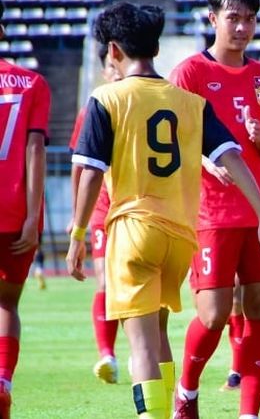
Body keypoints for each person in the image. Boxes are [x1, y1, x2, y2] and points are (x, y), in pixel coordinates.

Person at [66, 2, 260, 419]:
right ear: (156, 48)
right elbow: (232, 155)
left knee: (141, 342)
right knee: (160, 331)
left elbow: (89, 173)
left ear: (113, 51)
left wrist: (77, 235)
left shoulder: (106, 98)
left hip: (133, 229)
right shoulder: (189, 101)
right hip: (180, 235)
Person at [168, 0, 260, 419]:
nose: (241, 27)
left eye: (249, 19)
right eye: (233, 18)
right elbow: (174, 141)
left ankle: (249, 413)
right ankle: (188, 389)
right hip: (212, 212)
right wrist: (204, 162)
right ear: (212, 18)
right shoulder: (190, 74)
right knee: (215, 313)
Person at [0, 0, 51, 417]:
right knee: (6, 304)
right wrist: (34, 216)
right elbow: (35, 149)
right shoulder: (31, 83)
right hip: (15, 211)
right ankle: (2, 380)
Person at [68, 44, 123, 384]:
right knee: (105, 280)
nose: (116, 71)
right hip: (104, 208)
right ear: (104, 70)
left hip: (138, 206)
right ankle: (107, 355)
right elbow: (81, 165)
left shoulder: (144, 99)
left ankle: (145, 356)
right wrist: (79, 217)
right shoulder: (93, 108)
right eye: (110, 67)